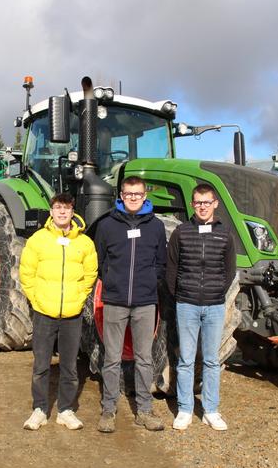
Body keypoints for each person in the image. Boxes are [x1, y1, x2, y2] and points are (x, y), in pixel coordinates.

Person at [19, 193, 98, 431]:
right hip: (44, 312)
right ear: (51, 211)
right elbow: (27, 273)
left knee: (70, 367)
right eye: (58, 208)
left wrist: (78, 298)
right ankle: (40, 409)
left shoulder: (84, 243)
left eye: (66, 208)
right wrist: (37, 300)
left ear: (73, 211)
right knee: (41, 365)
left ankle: (65, 410)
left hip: (72, 315)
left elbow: (90, 274)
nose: (62, 212)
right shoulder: (37, 240)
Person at [94, 176, 166, 433]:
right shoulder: (107, 225)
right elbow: (101, 261)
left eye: (137, 193)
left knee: (144, 358)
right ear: (121, 196)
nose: (133, 197)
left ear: (145, 196)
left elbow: (161, 262)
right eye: (128, 193)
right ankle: (108, 410)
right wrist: (113, 282)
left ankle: (144, 411)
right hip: (115, 301)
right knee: (111, 358)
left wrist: (148, 284)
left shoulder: (156, 226)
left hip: (145, 303)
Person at [166, 183, 236, 431]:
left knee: (211, 360)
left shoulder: (225, 234)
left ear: (215, 204)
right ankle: (184, 409)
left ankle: (211, 410)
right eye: (198, 202)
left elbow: (229, 270)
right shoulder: (181, 233)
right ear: (192, 205)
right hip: (187, 305)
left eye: (207, 202)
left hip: (215, 306)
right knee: (185, 359)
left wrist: (217, 291)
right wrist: (181, 295)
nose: (203, 206)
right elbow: (172, 268)